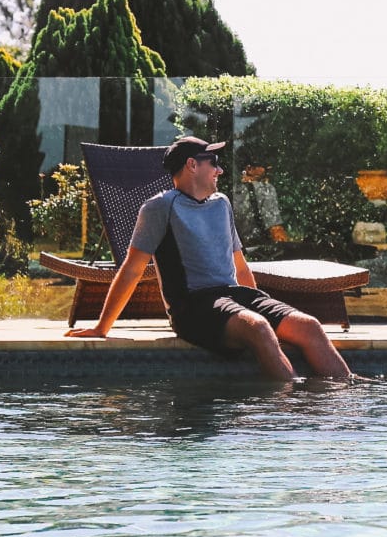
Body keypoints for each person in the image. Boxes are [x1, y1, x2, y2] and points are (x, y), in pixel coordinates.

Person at [65, 136, 355, 382]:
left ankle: (348, 403)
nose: (220, 170)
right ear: (192, 165)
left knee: (309, 326)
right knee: (258, 328)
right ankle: (283, 411)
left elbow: (239, 265)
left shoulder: (222, 204)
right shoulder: (159, 207)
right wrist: (102, 328)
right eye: (212, 162)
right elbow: (131, 269)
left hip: (235, 297)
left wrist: (263, 305)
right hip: (193, 305)